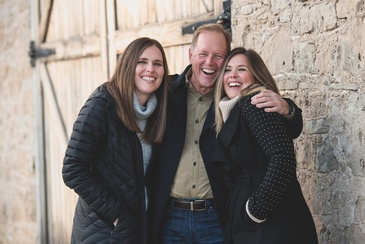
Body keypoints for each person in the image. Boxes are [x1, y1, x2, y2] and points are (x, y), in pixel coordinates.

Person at [146, 23, 304, 243]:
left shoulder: (232, 100)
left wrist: (289, 109)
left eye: (218, 56)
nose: (210, 62)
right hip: (170, 216)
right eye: (203, 54)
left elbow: (284, 130)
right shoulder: (166, 92)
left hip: (216, 215)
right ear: (190, 54)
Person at [62, 37, 170, 243]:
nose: (151, 69)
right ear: (129, 65)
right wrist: (116, 214)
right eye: (142, 62)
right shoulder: (102, 104)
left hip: (138, 227)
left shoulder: (158, 111)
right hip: (104, 230)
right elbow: (72, 169)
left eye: (158, 64)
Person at [212, 47, 318, 243]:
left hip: (269, 219)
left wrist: (256, 210)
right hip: (250, 216)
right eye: (227, 70)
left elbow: (283, 158)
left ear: (255, 76)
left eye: (242, 69)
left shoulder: (256, 104)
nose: (233, 75)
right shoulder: (232, 111)